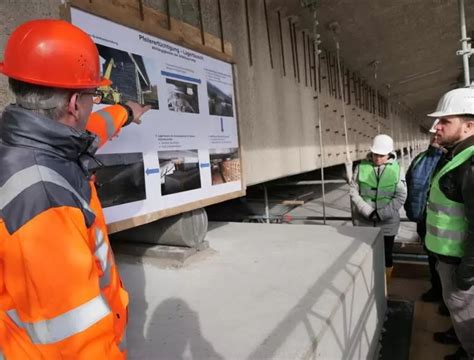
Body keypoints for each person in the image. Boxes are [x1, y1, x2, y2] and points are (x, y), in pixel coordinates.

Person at [0, 20, 150, 358]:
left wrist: (126, 112)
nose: (94, 104)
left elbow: (97, 129)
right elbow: (77, 342)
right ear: (73, 105)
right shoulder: (43, 199)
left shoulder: (29, 141)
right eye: (92, 95)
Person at [425, 87, 474, 360]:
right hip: (451, 259)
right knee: (462, 317)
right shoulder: (458, 156)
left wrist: (466, 275)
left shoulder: (470, 164)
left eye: (445, 121)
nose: (437, 127)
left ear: (468, 126)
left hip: (461, 267)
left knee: (469, 319)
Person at [350, 134, 407, 279]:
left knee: (386, 252)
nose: (378, 158)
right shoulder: (361, 167)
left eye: (382, 155)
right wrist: (367, 210)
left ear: (389, 154)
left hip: (388, 221)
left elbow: (401, 196)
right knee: (363, 251)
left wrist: (382, 214)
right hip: (364, 220)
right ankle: (366, 278)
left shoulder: (397, 169)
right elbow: (353, 191)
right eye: (375, 154)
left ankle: (385, 281)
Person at [405, 122, 445, 302]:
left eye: (439, 132)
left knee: (446, 261)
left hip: (447, 223)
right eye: (433, 133)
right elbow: (411, 185)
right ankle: (437, 290)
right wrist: (414, 212)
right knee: (431, 256)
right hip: (425, 219)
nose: (436, 136)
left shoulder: (452, 159)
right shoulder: (421, 158)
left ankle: (446, 298)